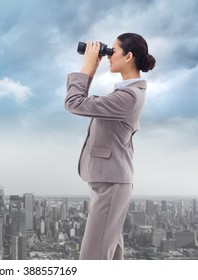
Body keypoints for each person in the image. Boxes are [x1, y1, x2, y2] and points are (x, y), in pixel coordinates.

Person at [65, 33, 156, 259]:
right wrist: (92, 71)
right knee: (111, 256)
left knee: (93, 258)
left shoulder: (129, 96)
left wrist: (86, 67)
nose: (108, 55)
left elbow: (74, 103)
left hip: (111, 182)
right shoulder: (125, 93)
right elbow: (87, 105)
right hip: (109, 180)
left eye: (112, 51)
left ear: (128, 57)